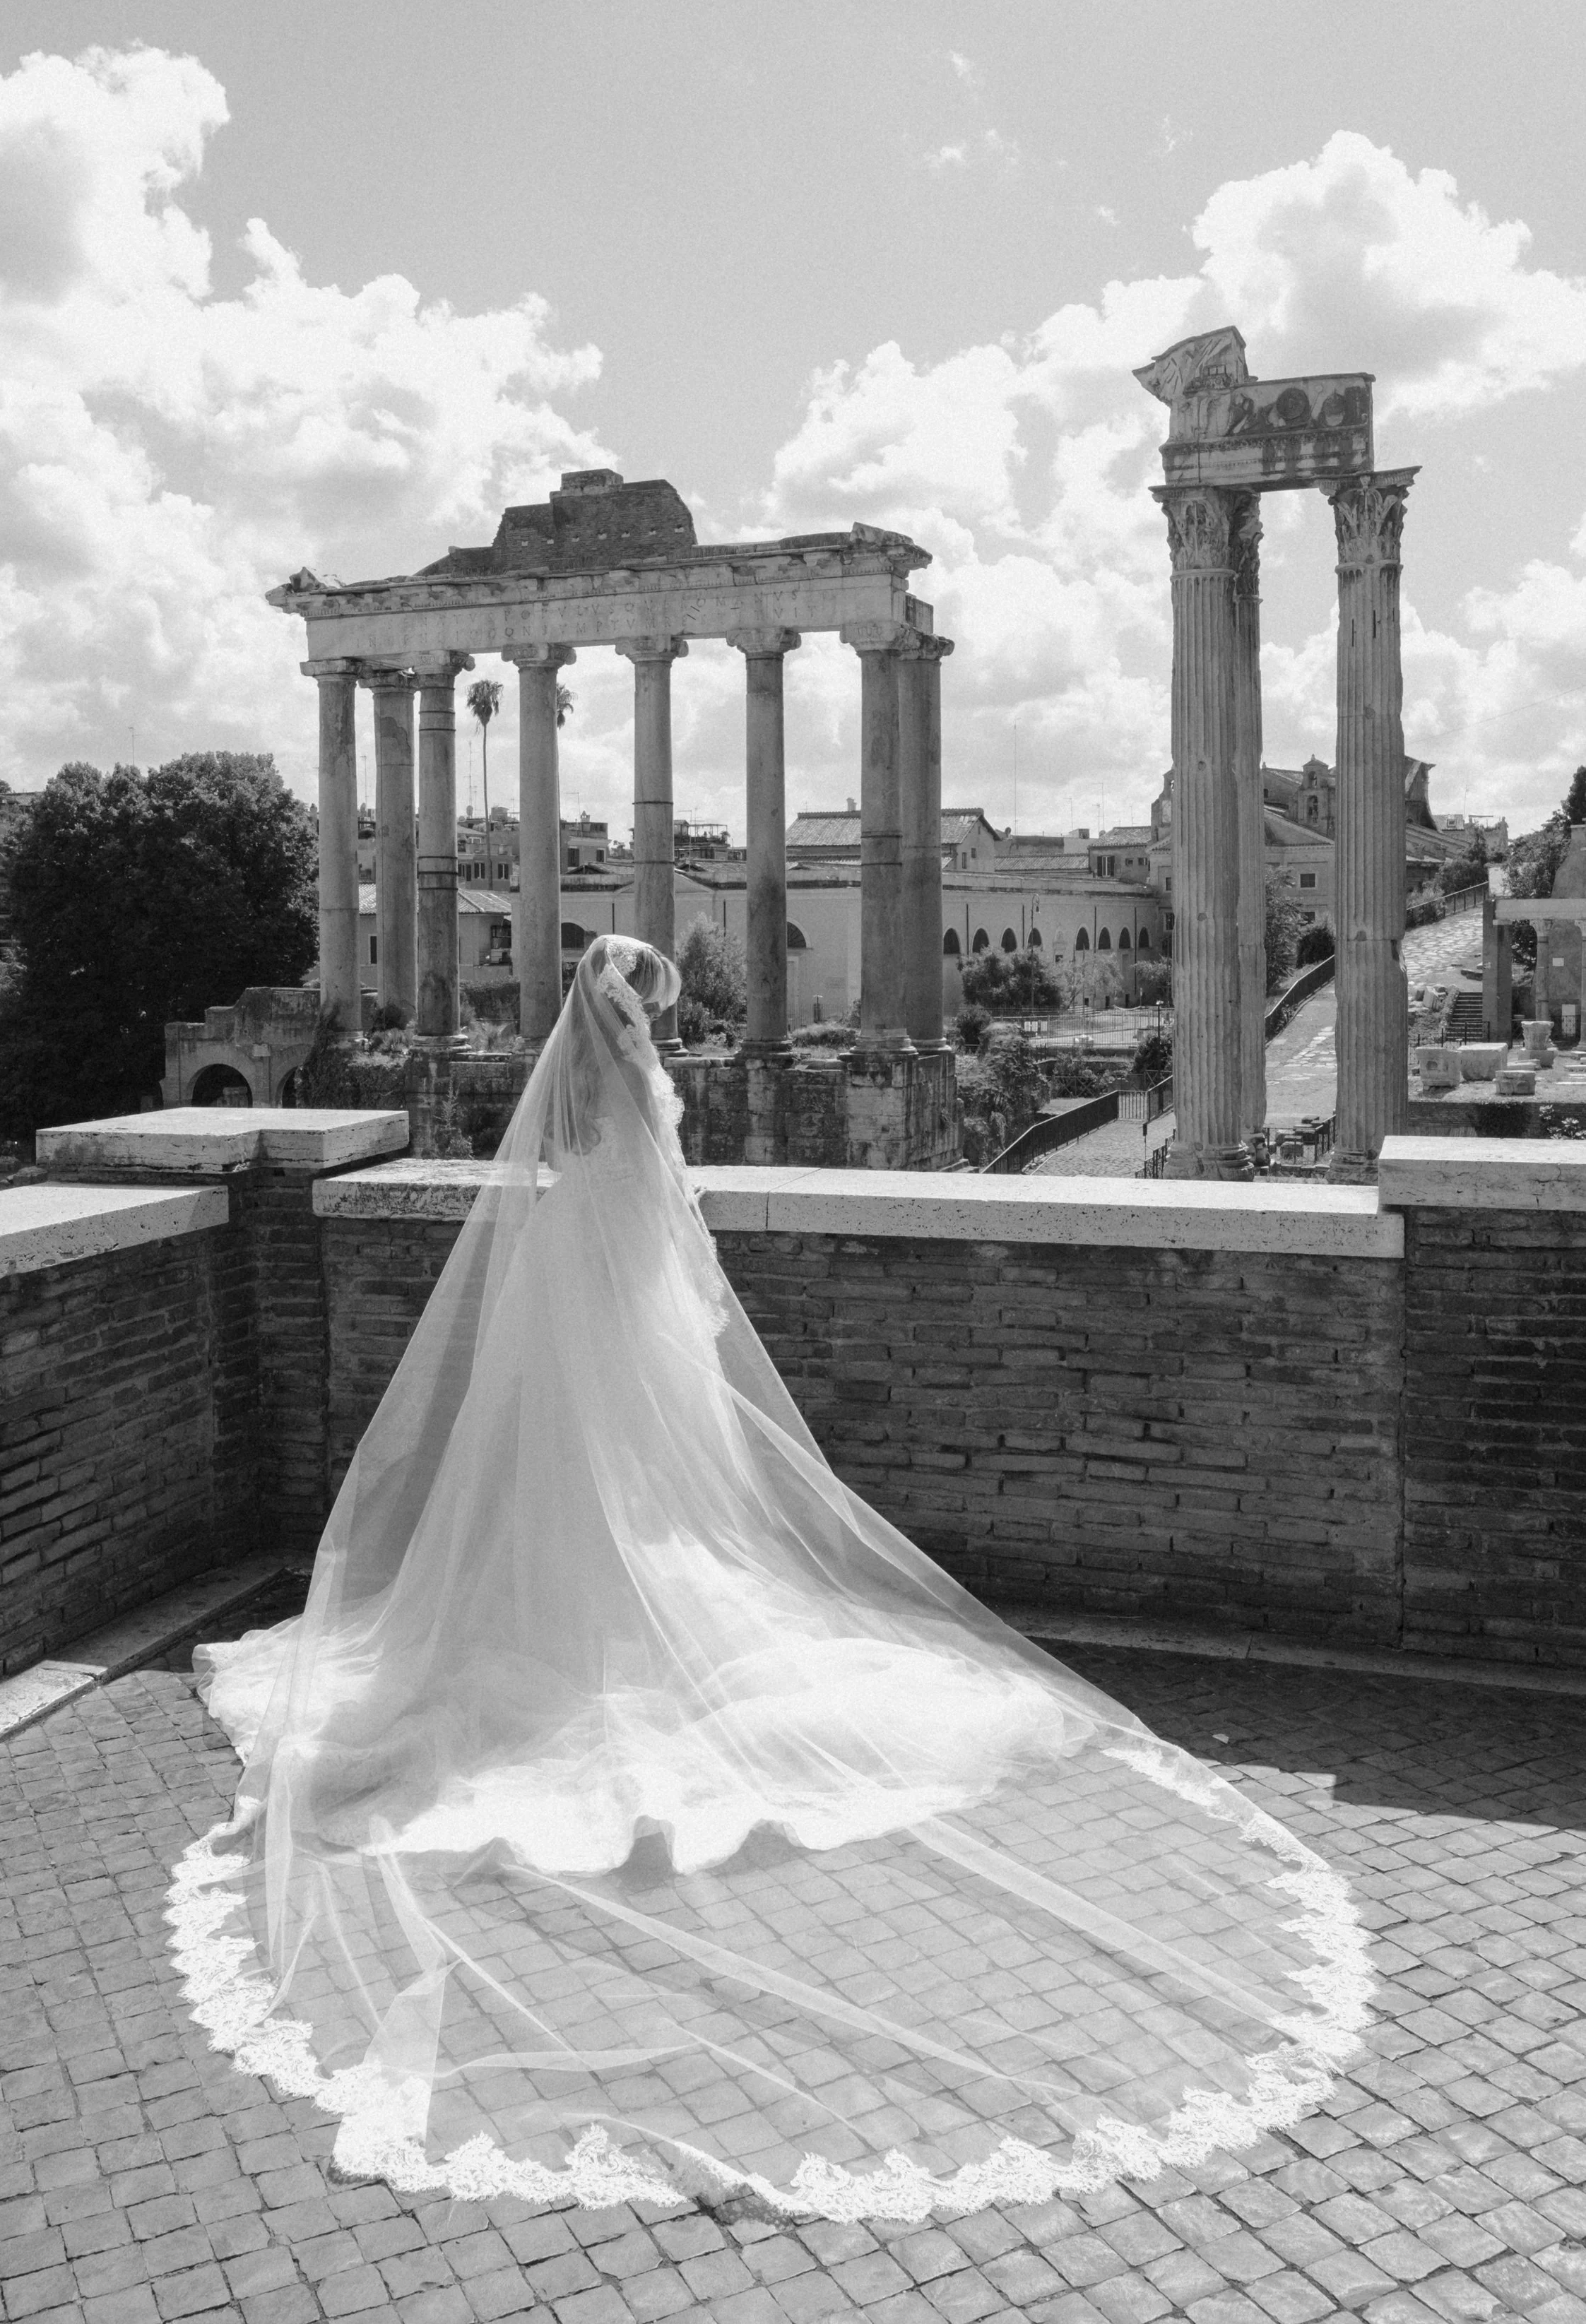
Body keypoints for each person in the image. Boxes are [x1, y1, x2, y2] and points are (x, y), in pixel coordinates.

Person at [170, 935, 1369, 2219]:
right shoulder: (629, 1084)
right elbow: (668, 1211)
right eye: (659, 1007)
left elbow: (602, 1193)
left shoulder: (574, 1087)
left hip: (576, 1299)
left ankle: (568, 1626)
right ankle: (607, 1639)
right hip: (626, 1307)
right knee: (644, 1500)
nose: (666, 1026)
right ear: (635, 1012)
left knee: (568, 1486)